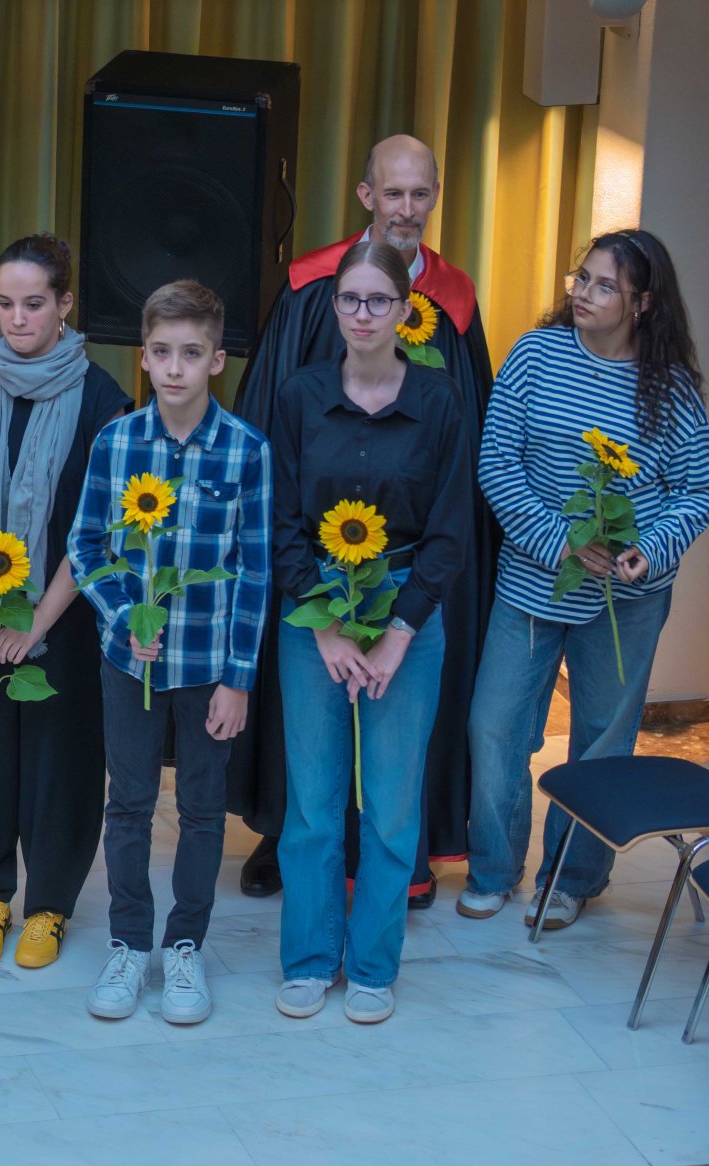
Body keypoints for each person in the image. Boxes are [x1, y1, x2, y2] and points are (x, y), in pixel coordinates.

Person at [230, 134, 495, 906]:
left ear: (435, 197)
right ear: (365, 195)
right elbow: (274, 416)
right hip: (317, 552)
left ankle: (394, 859)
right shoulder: (317, 287)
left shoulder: (453, 301)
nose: (406, 209)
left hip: (410, 552)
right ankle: (289, 835)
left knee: (398, 725)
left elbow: (465, 427)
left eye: (421, 194)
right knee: (309, 717)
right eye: (393, 193)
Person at [463, 230, 708, 930]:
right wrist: (560, 542)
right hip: (531, 590)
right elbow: (497, 464)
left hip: (626, 602)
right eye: (582, 277)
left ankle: (570, 881)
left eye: (604, 285)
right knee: (495, 728)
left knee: (602, 740)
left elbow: (696, 489)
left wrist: (649, 552)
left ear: (643, 302)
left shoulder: (672, 387)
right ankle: (494, 868)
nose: (582, 292)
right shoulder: (536, 355)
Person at [269, 240, 472, 1024]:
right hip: (312, 607)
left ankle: (376, 965)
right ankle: (310, 960)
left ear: (404, 309)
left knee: (390, 805)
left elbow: (451, 533)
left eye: (377, 301)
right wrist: (322, 626)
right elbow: (283, 522)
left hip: (406, 608)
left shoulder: (441, 400)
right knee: (315, 803)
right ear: (332, 306)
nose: (361, 314)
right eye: (348, 300)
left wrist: (397, 636)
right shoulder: (299, 396)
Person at [69, 280, 272, 1025]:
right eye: (162, 353)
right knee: (127, 803)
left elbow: (253, 572)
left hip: (208, 671)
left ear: (217, 359)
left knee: (201, 810)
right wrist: (124, 617)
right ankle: (129, 944)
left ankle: (184, 947)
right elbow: (84, 545)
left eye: (192, 353)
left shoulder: (248, 450)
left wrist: (238, 679)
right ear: (144, 358)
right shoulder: (116, 443)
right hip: (132, 664)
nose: (176, 368)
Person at [0, 233, 131, 969]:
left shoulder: (104, 399)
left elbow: (95, 532)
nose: (16, 320)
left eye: (33, 304)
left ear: (65, 305)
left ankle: (48, 905)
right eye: (5, 304)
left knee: (62, 760)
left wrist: (36, 625)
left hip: (64, 616)